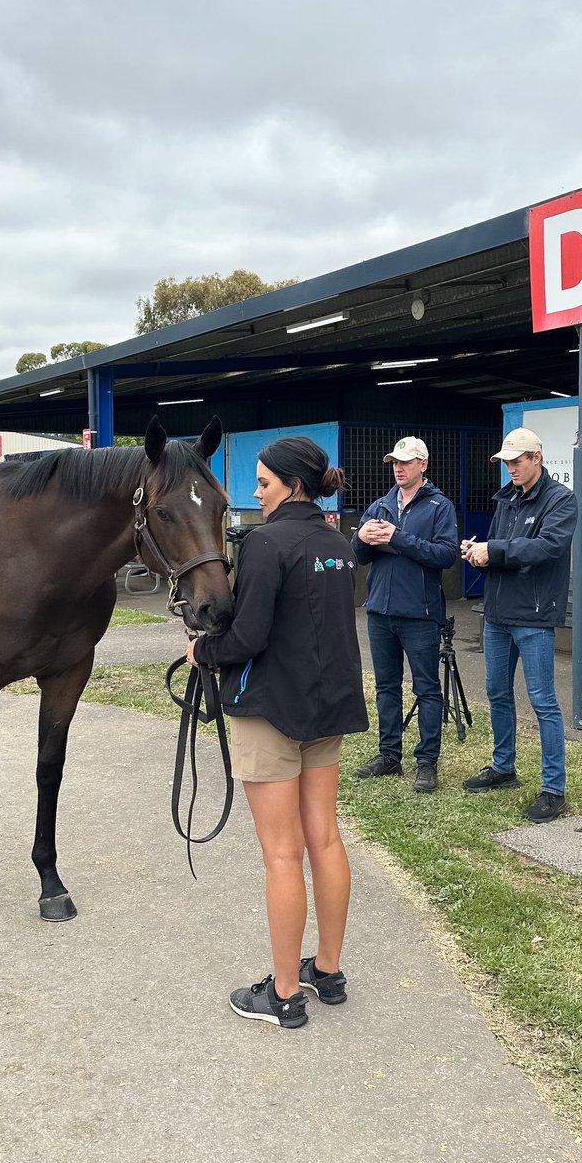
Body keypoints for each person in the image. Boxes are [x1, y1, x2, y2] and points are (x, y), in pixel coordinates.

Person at [187, 436, 368, 1030]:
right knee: (326, 840)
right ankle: (329, 970)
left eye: (263, 484)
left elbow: (249, 637)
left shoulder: (265, 543)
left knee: (282, 853)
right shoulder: (338, 545)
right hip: (327, 711)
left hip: (270, 712)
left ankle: (285, 993)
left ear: (292, 485)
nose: (256, 494)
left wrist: (203, 651)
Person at [461, 427, 578, 823]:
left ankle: (553, 790)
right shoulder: (507, 499)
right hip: (497, 615)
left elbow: (548, 547)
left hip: (533, 616)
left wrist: (491, 551)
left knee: (543, 702)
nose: (509, 468)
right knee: (497, 693)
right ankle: (503, 768)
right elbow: (502, 547)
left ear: (537, 458)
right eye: (506, 462)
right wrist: (478, 553)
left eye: (516, 461)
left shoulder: (561, 500)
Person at [351, 436, 458, 793]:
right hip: (380, 610)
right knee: (386, 687)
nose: (398, 468)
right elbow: (359, 558)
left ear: (423, 465)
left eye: (406, 462)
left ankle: (426, 762)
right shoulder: (380, 505)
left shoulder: (439, 507)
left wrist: (397, 539)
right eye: (395, 462)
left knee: (427, 690)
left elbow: (445, 555)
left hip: (420, 613)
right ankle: (389, 755)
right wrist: (361, 538)